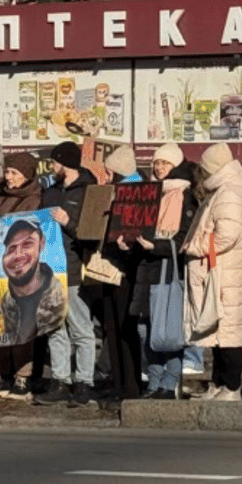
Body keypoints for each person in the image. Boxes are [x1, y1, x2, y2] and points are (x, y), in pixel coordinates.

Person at [121, 143, 196, 399]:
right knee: (145, 330)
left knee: (169, 331)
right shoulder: (149, 193)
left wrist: (158, 246)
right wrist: (128, 241)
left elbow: (185, 237)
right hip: (145, 269)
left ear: (176, 165)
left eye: (164, 163)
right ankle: (153, 383)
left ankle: (169, 382)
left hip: (168, 269)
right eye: (156, 163)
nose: (158, 167)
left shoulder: (185, 195)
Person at [183, 143, 242, 401]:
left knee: (229, 333)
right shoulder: (224, 190)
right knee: (217, 332)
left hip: (224, 272)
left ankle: (232, 386)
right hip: (219, 270)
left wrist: (197, 246)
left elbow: (227, 235)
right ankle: (219, 383)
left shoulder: (230, 193)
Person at [35, 140, 99, 407]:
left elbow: (93, 233)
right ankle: (60, 380)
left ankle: (84, 382)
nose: (52, 167)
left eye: (55, 162)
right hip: (49, 269)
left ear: (67, 164)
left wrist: (68, 222)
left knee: (81, 328)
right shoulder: (50, 192)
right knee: (55, 328)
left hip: (74, 268)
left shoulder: (88, 192)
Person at [0, 152, 44, 398]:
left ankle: (22, 377)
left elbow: (28, 227)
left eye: (14, 173)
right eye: (7, 172)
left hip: (22, 272)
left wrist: (2, 222)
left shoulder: (34, 199)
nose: (8, 177)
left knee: (22, 324)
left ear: (27, 175)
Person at [96, 145, 144, 403]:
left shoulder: (134, 192)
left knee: (123, 330)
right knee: (113, 328)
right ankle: (120, 382)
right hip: (113, 267)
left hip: (125, 269)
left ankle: (128, 385)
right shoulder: (118, 191)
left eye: (109, 170)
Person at [0, 219, 67, 349]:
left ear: (42, 244)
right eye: (11, 248)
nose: (18, 255)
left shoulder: (59, 296)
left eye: (27, 244)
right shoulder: (4, 303)